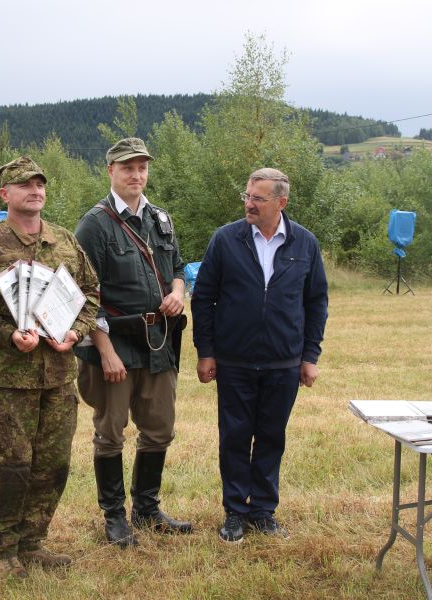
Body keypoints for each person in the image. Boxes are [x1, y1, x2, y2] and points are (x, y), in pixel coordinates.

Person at [0, 156, 99, 579]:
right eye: (24, 185)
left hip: (59, 374)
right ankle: (2, 547)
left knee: (52, 464)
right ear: (5, 194)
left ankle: (33, 542)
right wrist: (6, 333)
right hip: (9, 377)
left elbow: (90, 291)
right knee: (11, 465)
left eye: (40, 185)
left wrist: (75, 332)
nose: (35, 191)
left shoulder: (64, 240)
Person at [191, 167, 328, 543]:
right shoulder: (225, 239)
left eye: (258, 199)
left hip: (284, 362)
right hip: (234, 360)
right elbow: (203, 298)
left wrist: (310, 356)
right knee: (234, 437)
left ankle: (263, 511)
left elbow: (316, 302)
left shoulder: (305, 243)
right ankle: (235, 512)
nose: (249, 204)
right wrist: (206, 352)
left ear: (281, 202)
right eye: (247, 197)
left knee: (271, 437)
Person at [74, 137, 192, 548]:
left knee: (159, 428)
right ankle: (114, 518)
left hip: (158, 341)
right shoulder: (94, 224)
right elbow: (83, 294)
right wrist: (105, 352)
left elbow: (178, 267)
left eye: (142, 167)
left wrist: (178, 291)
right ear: (111, 171)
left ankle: (146, 509)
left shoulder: (161, 219)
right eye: (127, 168)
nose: (136, 175)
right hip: (115, 342)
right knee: (110, 432)